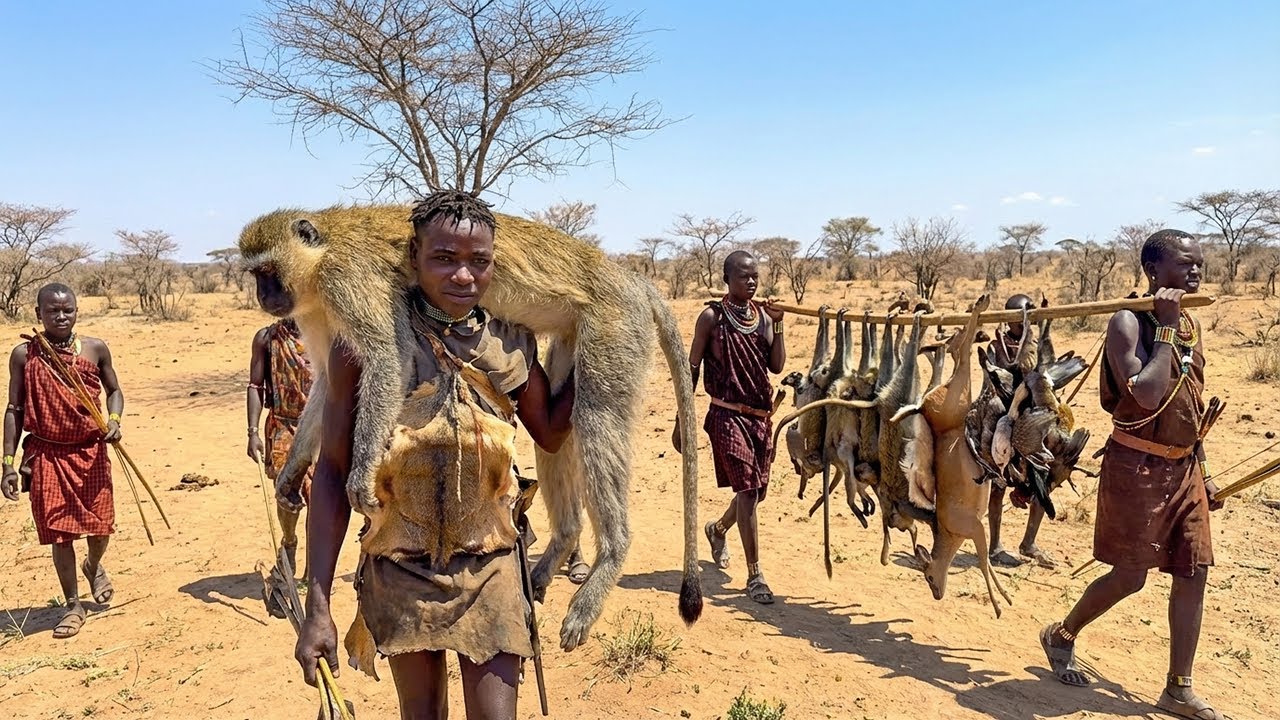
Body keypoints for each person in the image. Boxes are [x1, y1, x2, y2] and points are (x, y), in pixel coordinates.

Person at [295, 190, 575, 720]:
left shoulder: (507, 342)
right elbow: (332, 469)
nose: (463, 277)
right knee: (421, 713)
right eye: (443, 259)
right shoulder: (365, 343)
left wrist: (590, 352)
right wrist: (318, 607)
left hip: (491, 562)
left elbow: (550, 434)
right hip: (401, 565)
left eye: (479, 262)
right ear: (413, 259)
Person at [1039, 229, 1225, 720]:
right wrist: (1162, 328)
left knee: (1194, 570)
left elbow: (1190, 406)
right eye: (1185, 264)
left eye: (1199, 264)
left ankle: (1178, 689)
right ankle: (1061, 635)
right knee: (1131, 576)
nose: (1195, 273)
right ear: (1153, 272)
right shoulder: (1128, 322)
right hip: (1135, 467)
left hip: (1184, 467)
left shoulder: (1189, 326)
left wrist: (1203, 471)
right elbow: (1145, 393)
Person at [2, 283, 123, 639]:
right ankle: (73, 605)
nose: (60, 316)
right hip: (47, 454)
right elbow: (15, 409)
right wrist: (8, 462)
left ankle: (94, 564)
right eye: (52, 311)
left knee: (101, 528)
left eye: (67, 310)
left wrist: (113, 422)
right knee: (60, 534)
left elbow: (115, 391)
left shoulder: (95, 349)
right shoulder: (25, 355)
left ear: (76, 310)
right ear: (38, 314)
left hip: (90, 451)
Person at [674, 250, 785, 604]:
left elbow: (777, 366)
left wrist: (779, 324)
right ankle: (755, 576)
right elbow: (690, 368)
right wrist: (682, 420)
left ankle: (718, 529)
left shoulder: (763, 319)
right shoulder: (712, 318)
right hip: (725, 415)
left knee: (755, 493)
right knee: (749, 492)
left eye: (755, 276)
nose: (751, 282)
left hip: (760, 418)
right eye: (743, 276)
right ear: (727, 278)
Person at [985, 293, 1057, 568]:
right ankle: (994, 547)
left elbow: (1046, 375)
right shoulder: (996, 347)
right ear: (1009, 319)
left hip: (1033, 421)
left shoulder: (1036, 345)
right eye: (1021, 316)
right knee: (997, 485)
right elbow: (992, 382)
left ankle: (1029, 542)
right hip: (1004, 419)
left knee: (1043, 481)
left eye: (1030, 314)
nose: (1025, 322)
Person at [246, 317, 314, 580]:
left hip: (321, 426)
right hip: (283, 425)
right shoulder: (267, 338)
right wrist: (252, 433)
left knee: (320, 498)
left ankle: (314, 570)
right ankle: (289, 541)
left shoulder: (328, 333)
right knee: (287, 495)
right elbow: (255, 386)